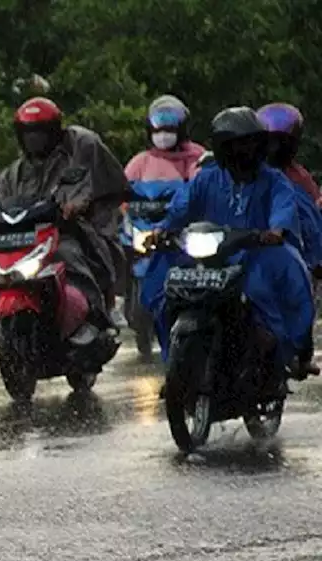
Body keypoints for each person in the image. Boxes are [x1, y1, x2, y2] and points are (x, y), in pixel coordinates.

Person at [143, 107, 315, 377]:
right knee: (161, 281)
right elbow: (180, 210)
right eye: (237, 145)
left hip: (256, 251)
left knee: (290, 272)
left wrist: (274, 231)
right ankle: (174, 365)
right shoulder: (206, 178)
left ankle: (291, 350)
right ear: (223, 149)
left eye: (251, 143)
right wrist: (161, 231)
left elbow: (282, 212)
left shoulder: (274, 180)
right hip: (208, 254)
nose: (246, 151)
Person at [0, 96, 130, 330]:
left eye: (39, 132)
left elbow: (92, 184)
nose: (34, 139)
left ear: (54, 130)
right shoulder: (16, 170)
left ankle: (98, 313)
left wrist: (78, 205)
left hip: (73, 228)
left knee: (72, 254)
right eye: (28, 132)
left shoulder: (80, 148)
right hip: (28, 237)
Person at [257, 103, 322, 277]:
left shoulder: (300, 177)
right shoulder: (241, 170)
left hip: (285, 249)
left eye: (280, 142)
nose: (274, 148)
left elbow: (312, 217)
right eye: (270, 141)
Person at [124, 96, 207, 186]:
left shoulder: (199, 158)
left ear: (181, 129)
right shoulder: (140, 163)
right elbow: (121, 193)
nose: (163, 134)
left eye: (169, 128)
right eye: (157, 129)